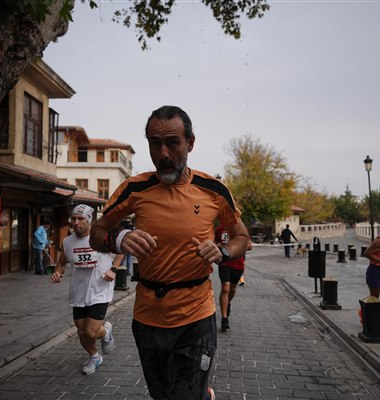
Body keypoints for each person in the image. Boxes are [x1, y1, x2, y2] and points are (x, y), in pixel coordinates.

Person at [89, 105, 250, 400]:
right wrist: (120, 238)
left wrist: (222, 251)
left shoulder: (213, 190)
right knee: (162, 395)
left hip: (196, 316)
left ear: (190, 142)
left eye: (173, 143)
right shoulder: (134, 189)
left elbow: (242, 237)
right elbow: (96, 233)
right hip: (147, 317)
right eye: (155, 143)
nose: (163, 153)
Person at [50, 204, 123, 374]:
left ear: (89, 220)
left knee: (91, 331)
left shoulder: (102, 237)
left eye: (81, 218)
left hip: (100, 290)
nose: (76, 222)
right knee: (82, 330)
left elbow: (122, 250)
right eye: (74, 219)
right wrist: (57, 273)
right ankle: (94, 356)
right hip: (78, 292)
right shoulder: (68, 242)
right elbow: (62, 262)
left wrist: (113, 269)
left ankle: (105, 332)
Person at [215, 224, 252, 332]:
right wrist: (218, 246)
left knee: (232, 288)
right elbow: (214, 243)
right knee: (225, 287)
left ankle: (227, 303)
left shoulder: (240, 228)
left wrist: (235, 247)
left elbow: (249, 246)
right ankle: (224, 318)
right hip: (224, 264)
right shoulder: (219, 229)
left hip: (238, 265)